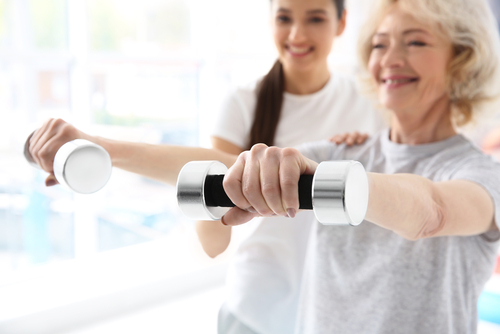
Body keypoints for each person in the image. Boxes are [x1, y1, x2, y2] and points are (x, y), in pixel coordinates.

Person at [216, 0, 500, 332]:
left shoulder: (483, 174)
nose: (390, 60)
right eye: (380, 44)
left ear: (462, 61)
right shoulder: (341, 154)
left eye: (416, 42)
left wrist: (330, 180)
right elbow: (217, 168)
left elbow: (432, 212)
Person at [199, 0, 385, 332]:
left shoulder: (370, 102)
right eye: (284, 18)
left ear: (341, 23)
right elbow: (212, 241)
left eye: (315, 19)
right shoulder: (242, 103)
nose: (297, 34)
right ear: (270, 21)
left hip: (341, 309)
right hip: (257, 308)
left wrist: (362, 158)